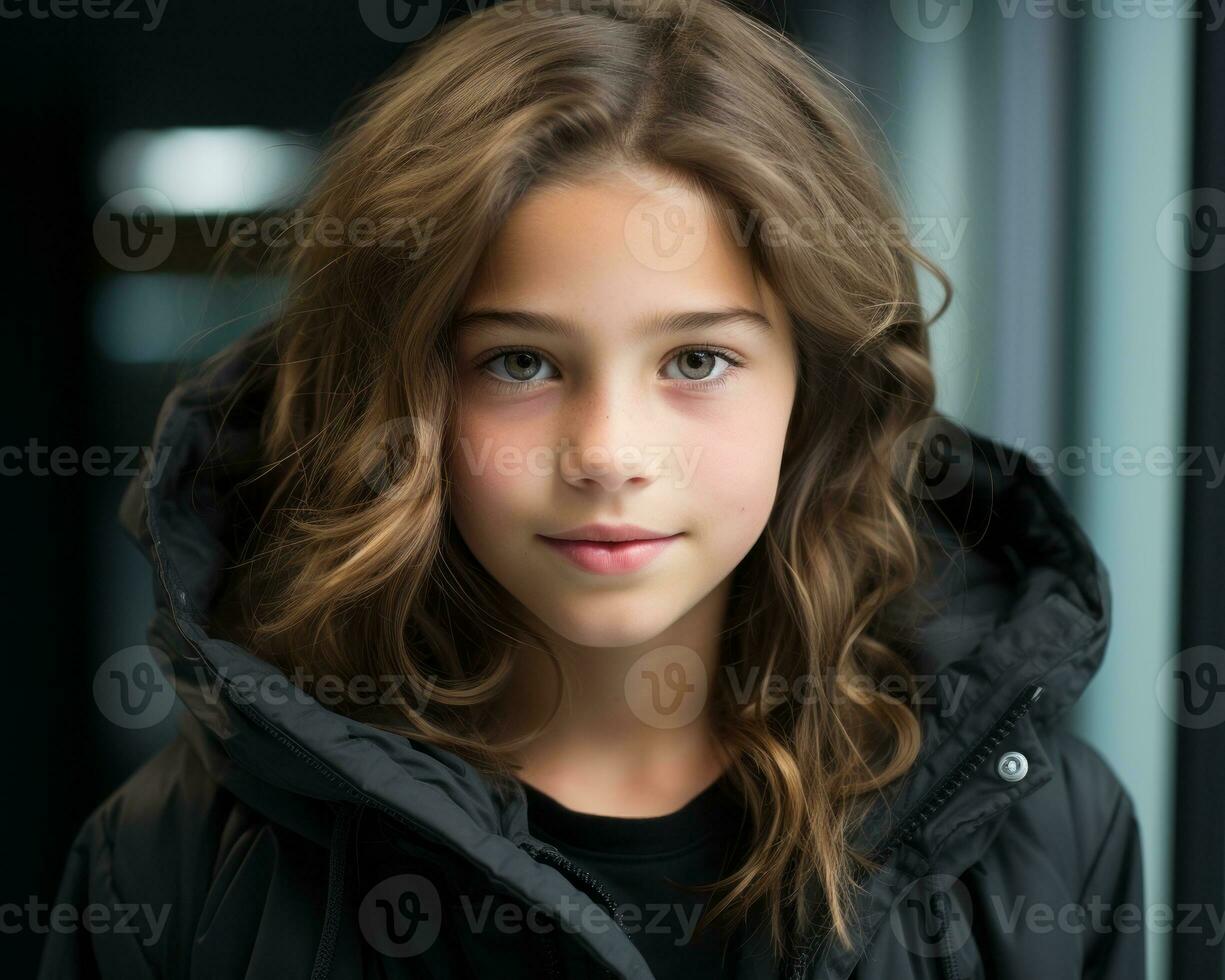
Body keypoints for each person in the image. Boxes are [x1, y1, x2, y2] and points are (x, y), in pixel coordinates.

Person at [39, 1, 1144, 977]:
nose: (608, 452)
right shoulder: (170, 862)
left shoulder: (1046, 829)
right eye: (519, 362)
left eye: (697, 360)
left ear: (816, 393)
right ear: (405, 399)